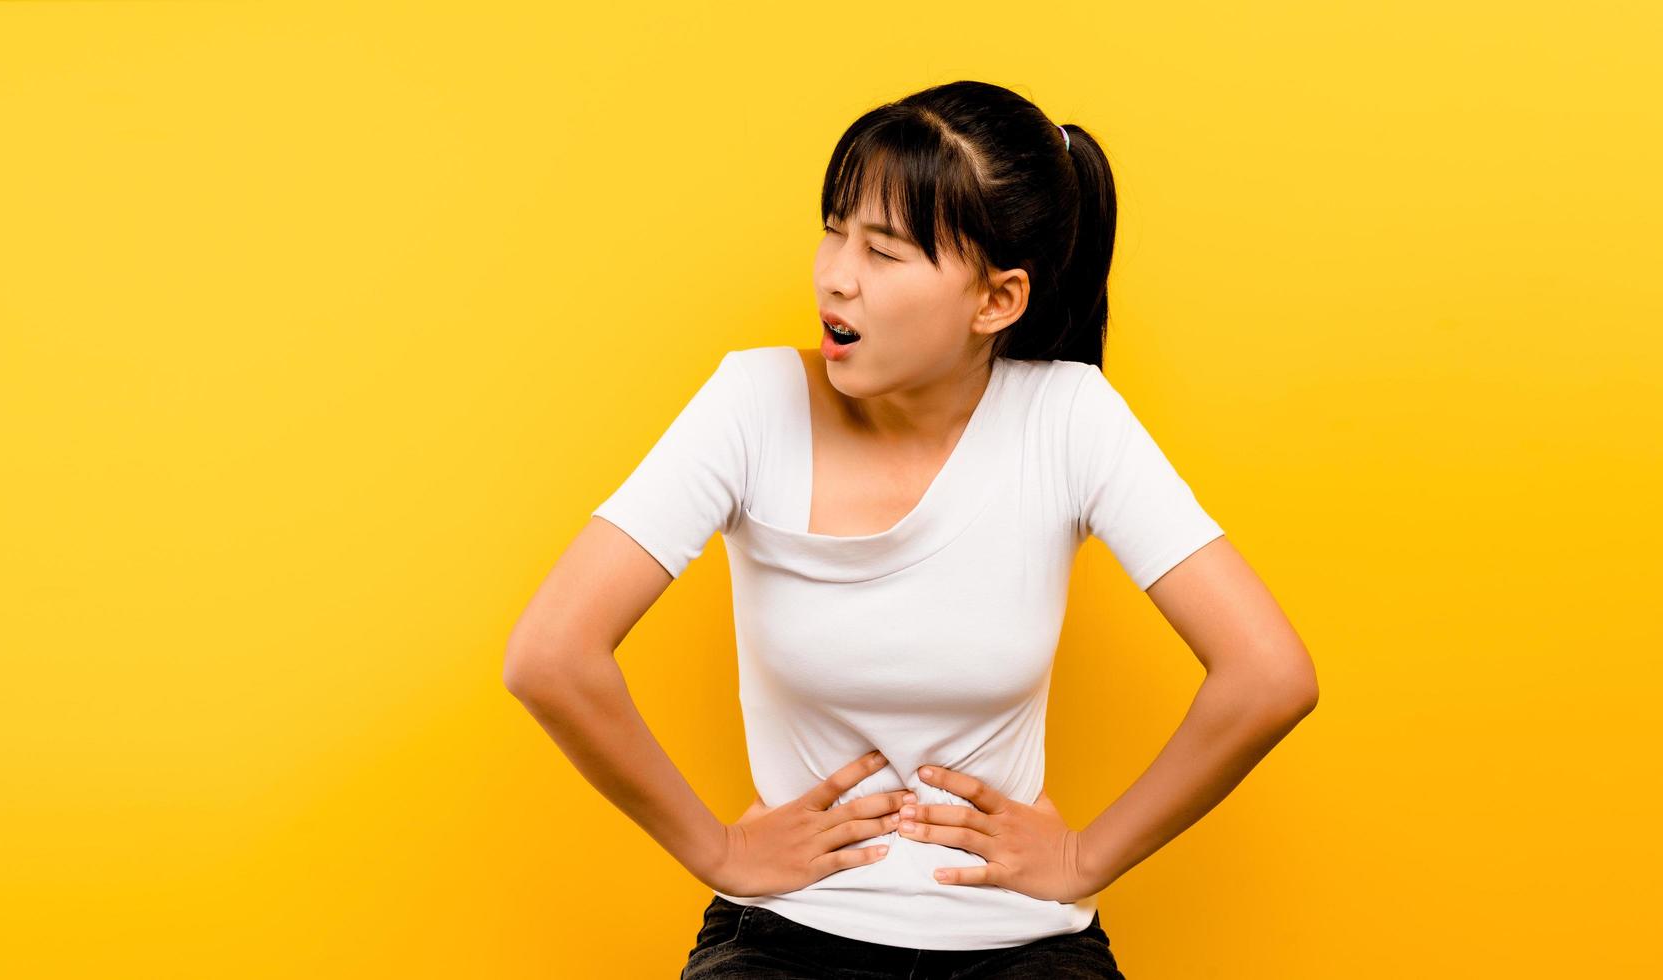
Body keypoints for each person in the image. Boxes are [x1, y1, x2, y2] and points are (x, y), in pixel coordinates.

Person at [503, 79, 1319, 978]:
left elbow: (1268, 676)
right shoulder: (751, 402)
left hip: (1019, 945)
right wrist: (719, 852)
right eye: (834, 227)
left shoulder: (1068, 417)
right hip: (783, 940)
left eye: (884, 250)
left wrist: (1084, 859)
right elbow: (550, 655)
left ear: (995, 301)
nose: (834, 273)